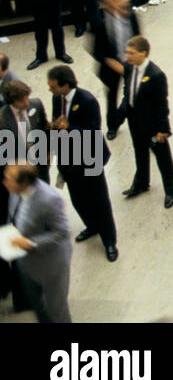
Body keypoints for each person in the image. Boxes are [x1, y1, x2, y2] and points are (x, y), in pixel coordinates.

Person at [45, 65, 116, 261]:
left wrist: (70, 129)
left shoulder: (87, 100)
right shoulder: (56, 99)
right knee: (78, 198)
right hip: (69, 160)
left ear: (65, 84)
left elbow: (93, 132)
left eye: (53, 86)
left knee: (99, 201)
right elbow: (57, 123)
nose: (50, 90)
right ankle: (91, 226)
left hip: (89, 159)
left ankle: (109, 240)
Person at [3, 162, 72, 322]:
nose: (5, 182)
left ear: (23, 182)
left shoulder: (49, 200)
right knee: (38, 307)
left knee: (57, 311)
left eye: (9, 179)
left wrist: (30, 242)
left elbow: (61, 232)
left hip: (51, 266)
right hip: (28, 264)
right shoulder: (15, 193)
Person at [119, 35, 173, 208]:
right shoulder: (129, 68)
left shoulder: (156, 75)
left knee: (162, 158)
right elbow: (127, 91)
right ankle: (141, 182)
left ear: (143, 53)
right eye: (127, 52)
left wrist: (162, 130)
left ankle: (170, 191)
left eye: (131, 53)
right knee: (140, 153)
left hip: (152, 127)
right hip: (135, 123)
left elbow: (162, 105)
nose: (127, 56)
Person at [90, 0, 139, 140]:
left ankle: (123, 117)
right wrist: (110, 61)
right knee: (111, 97)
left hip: (131, 62)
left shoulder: (129, 13)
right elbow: (96, 50)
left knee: (134, 94)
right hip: (111, 67)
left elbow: (138, 35)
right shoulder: (99, 22)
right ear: (104, 3)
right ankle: (113, 126)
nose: (117, 0)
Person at [2, 80, 50, 182]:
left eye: (27, 98)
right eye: (21, 101)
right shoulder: (2, 118)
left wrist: (49, 152)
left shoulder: (37, 104)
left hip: (41, 165)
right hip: (20, 171)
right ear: (12, 101)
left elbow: (45, 129)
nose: (26, 103)